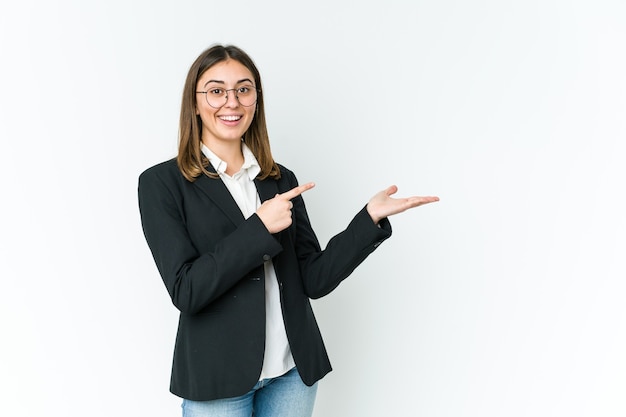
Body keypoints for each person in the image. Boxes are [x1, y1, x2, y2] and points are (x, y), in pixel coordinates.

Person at [138, 44, 439, 417]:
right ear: (195, 103)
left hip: (292, 373)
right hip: (218, 380)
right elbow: (187, 290)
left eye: (243, 90)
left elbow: (313, 279)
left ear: (256, 100)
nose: (231, 102)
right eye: (216, 91)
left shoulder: (279, 179)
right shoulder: (161, 183)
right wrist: (259, 228)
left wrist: (369, 220)